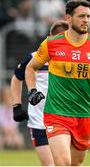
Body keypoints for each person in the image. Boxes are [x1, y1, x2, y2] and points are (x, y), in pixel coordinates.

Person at [25, 0, 90, 166]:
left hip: (83, 114)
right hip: (56, 113)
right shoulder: (51, 43)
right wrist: (32, 90)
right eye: (81, 16)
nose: (86, 20)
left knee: (75, 163)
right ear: (68, 18)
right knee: (63, 163)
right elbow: (30, 68)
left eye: (88, 16)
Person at [11, 20, 69, 166]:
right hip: (39, 121)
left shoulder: (72, 60)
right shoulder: (34, 58)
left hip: (63, 120)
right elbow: (16, 79)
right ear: (49, 38)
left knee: (64, 163)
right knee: (50, 165)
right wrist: (16, 105)